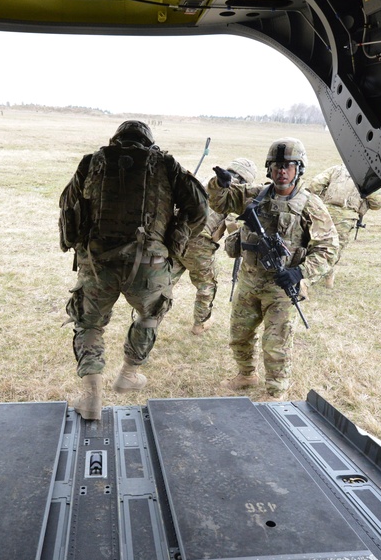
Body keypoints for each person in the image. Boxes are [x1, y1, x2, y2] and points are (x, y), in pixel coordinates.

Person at [59, 120, 208, 420]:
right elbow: (200, 210)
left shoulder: (92, 163)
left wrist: (77, 245)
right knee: (150, 314)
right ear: (148, 143)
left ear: (115, 141)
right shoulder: (165, 163)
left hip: (98, 262)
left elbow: (67, 205)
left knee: (89, 324)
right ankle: (129, 373)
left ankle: (91, 398)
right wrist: (172, 241)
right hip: (148, 265)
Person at [208, 138, 338, 402]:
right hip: (249, 281)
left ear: (299, 169)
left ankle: (276, 393)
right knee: (239, 334)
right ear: (269, 168)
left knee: (275, 344)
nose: (282, 171)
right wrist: (219, 184)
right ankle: (246, 374)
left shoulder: (310, 204)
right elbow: (220, 202)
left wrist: (299, 273)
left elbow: (328, 248)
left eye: (289, 166)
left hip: (280, 287)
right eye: (277, 165)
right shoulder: (255, 194)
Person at [172, 158, 258, 335]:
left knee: (167, 279)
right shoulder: (234, 193)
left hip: (177, 234)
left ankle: (150, 315)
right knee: (206, 284)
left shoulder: (209, 181)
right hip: (200, 242)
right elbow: (233, 225)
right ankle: (200, 324)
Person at [307, 164, 381, 288]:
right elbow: (377, 202)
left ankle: (315, 274)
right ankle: (319, 278)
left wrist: (318, 201)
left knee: (316, 242)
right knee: (335, 248)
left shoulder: (338, 168)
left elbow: (315, 185)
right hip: (346, 217)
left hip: (324, 211)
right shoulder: (372, 178)